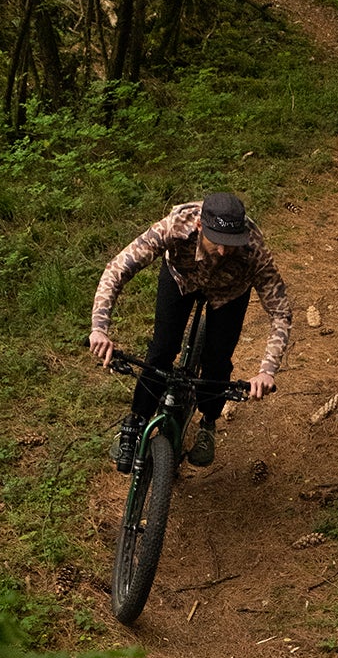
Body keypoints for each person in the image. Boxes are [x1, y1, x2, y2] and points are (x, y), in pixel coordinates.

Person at [89, 191, 292, 471]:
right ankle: (136, 420)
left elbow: (280, 312)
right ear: (199, 227)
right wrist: (99, 328)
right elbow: (117, 269)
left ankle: (208, 422)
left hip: (229, 293)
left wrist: (267, 370)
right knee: (161, 350)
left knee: (216, 361)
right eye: (217, 241)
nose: (224, 251)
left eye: (231, 243)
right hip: (181, 279)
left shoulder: (254, 248)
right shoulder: (176, 226)